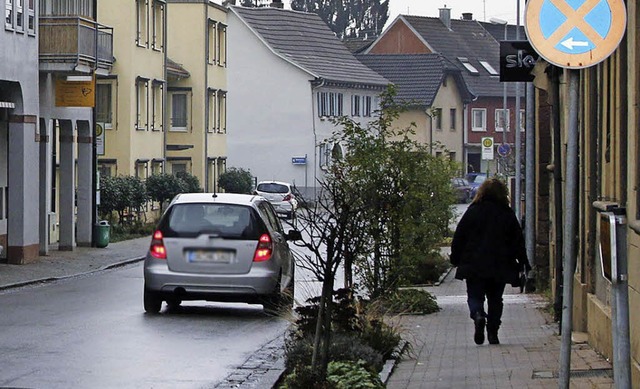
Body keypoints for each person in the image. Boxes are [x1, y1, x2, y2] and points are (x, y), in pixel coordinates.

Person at [449, 178, 531, 345]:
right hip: (499, 264)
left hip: (474, 264)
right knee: (496, 299)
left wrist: (456, 258)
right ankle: (493, 332)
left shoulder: (473, 211)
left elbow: (459, 237)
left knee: (474, 295)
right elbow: (517, 241)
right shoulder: (506, 213)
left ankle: (478, 315)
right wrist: (523, 263)